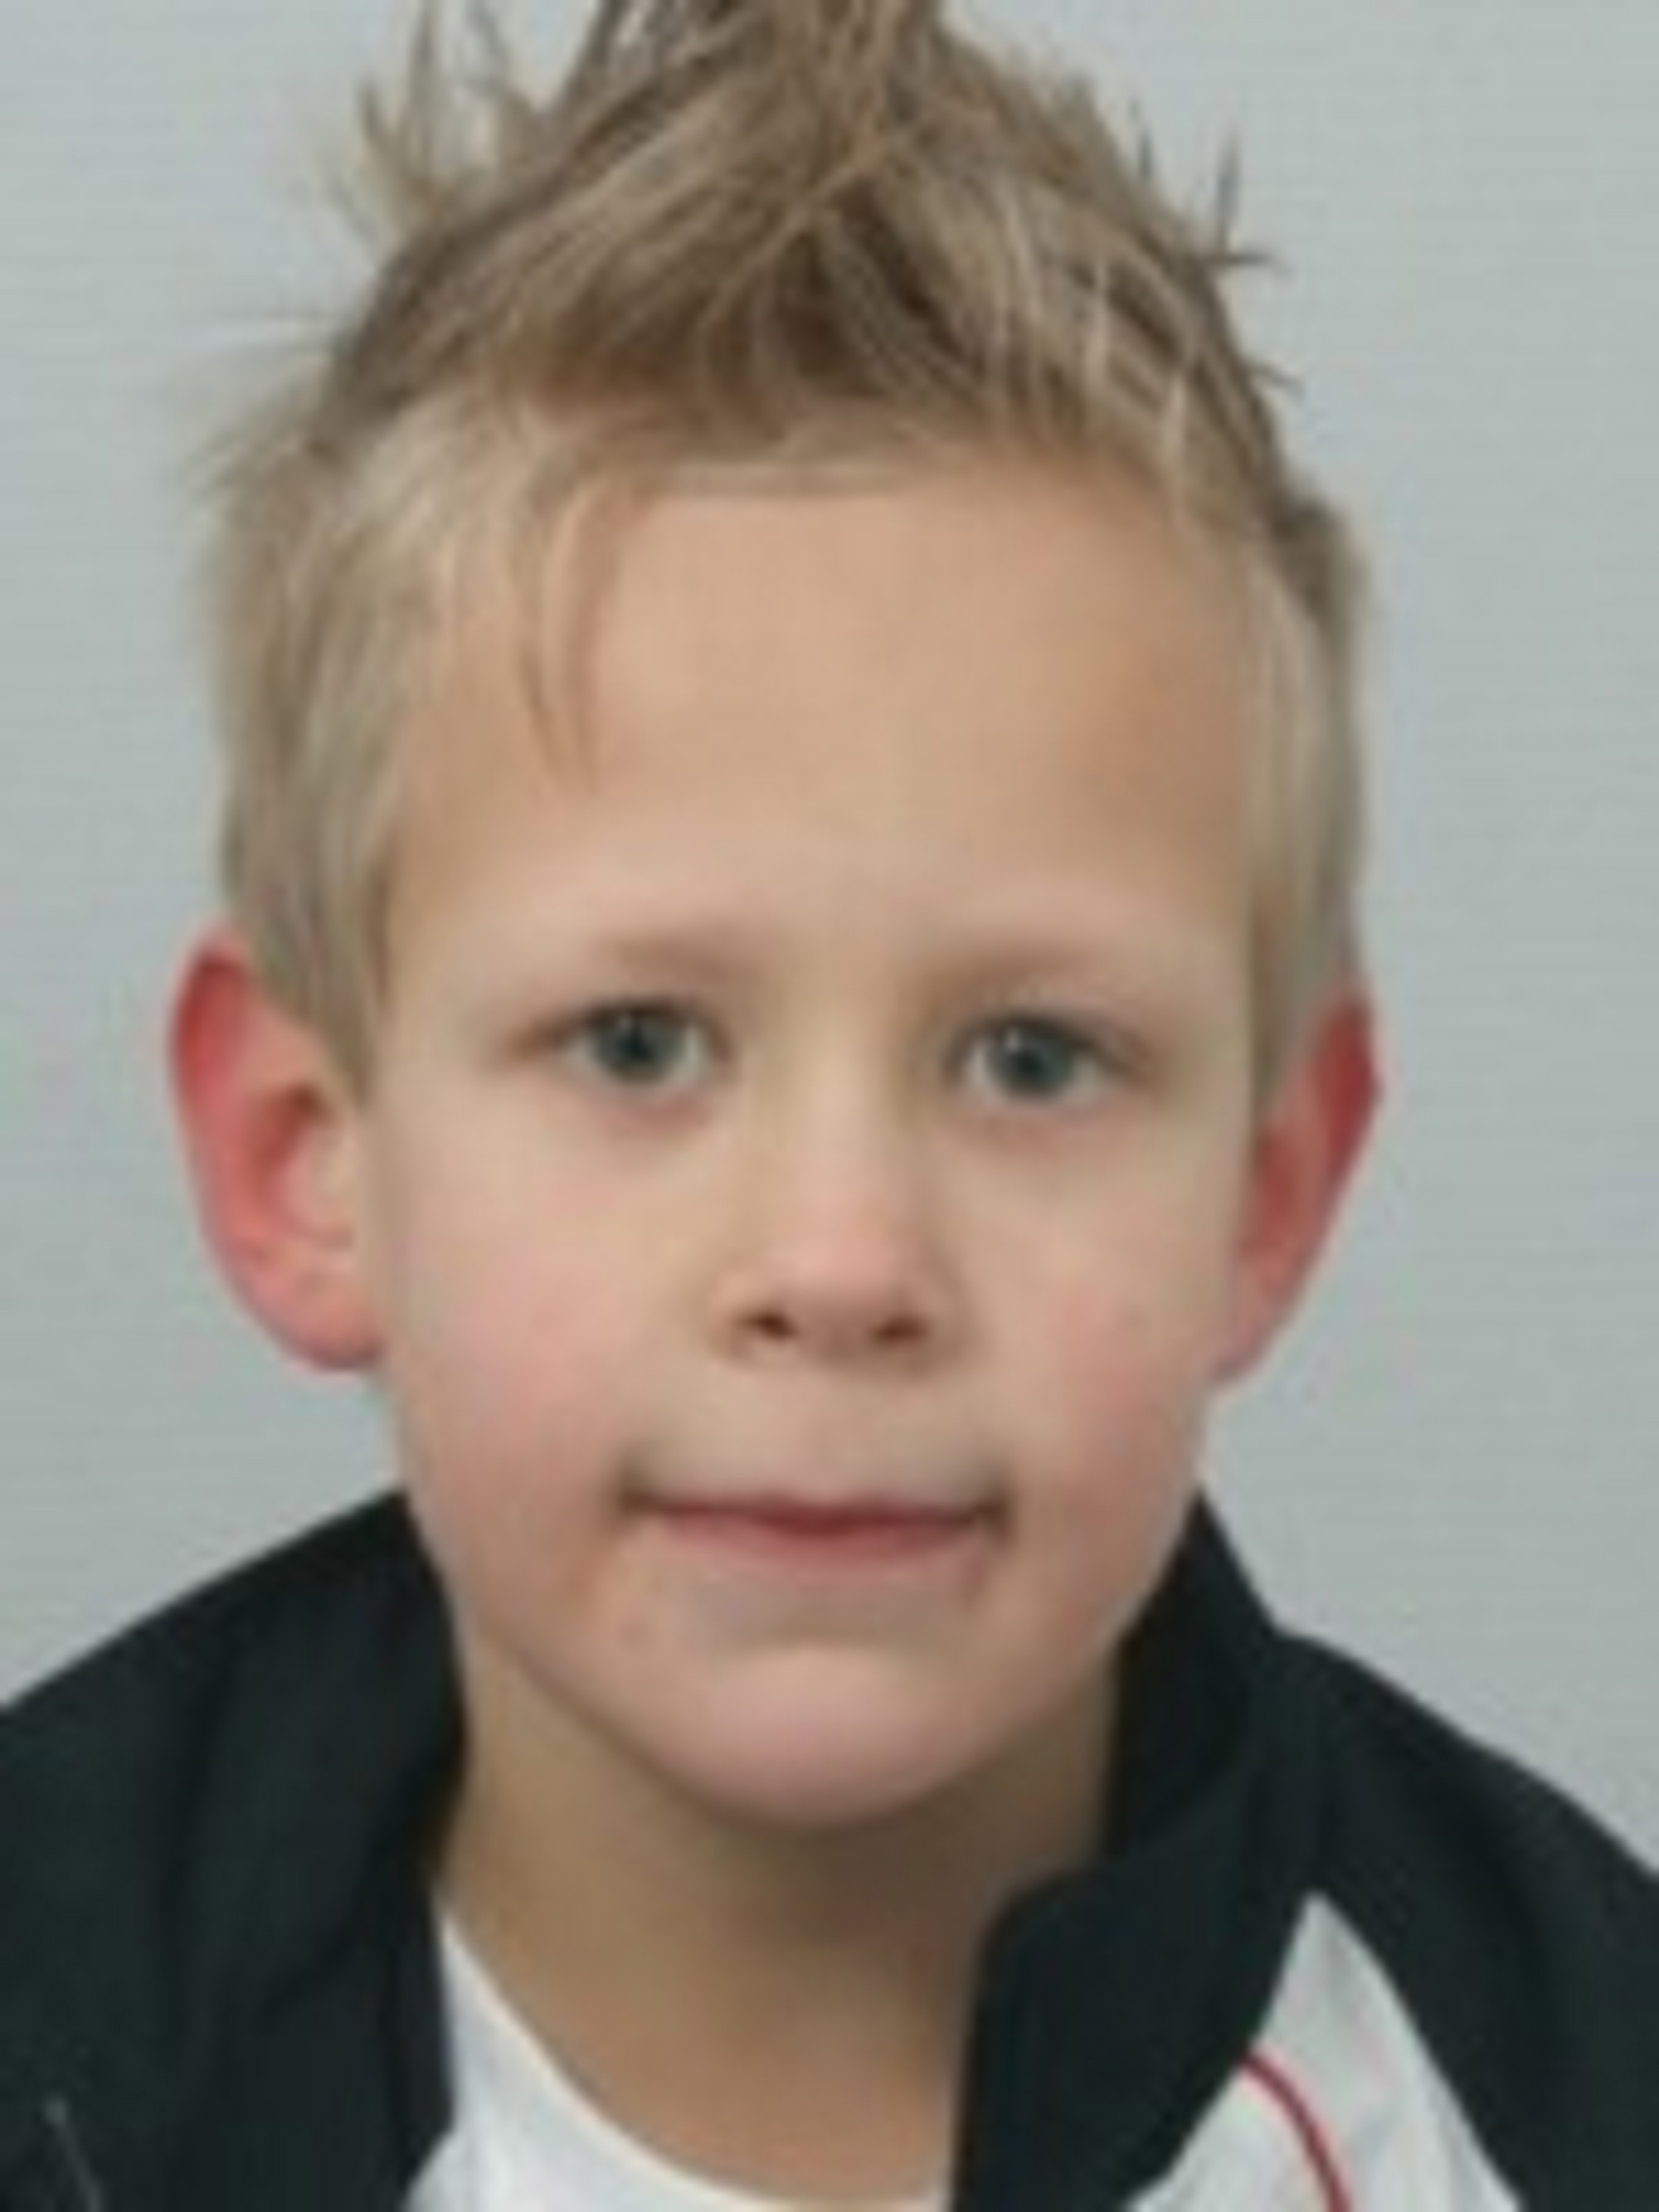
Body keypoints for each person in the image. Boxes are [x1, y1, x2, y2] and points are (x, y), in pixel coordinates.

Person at [2, 1, 1657, 2204]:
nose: (844, 1260)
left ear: (1267, 1191)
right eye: (640, 1043)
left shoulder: (1555, 2083)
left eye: (1031, 1058)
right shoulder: (64, 2037)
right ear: (308, 1158)